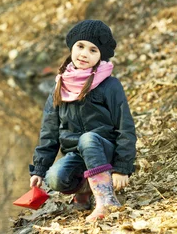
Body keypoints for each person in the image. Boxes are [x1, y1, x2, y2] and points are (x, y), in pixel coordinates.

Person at [29, 19, 136, 222]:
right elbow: (49, 131)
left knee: (88, 139)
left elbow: (125, 126)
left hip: (105, 151)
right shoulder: (61, 85)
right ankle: (85, 190)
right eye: (80, 46)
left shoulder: (109, 85)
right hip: (77, 154)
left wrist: (122, 167)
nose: (84, 54)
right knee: (55, 178)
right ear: (72, 47)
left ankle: (106, 201)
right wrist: (40, 169)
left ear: (100, 56)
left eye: (93, 50)